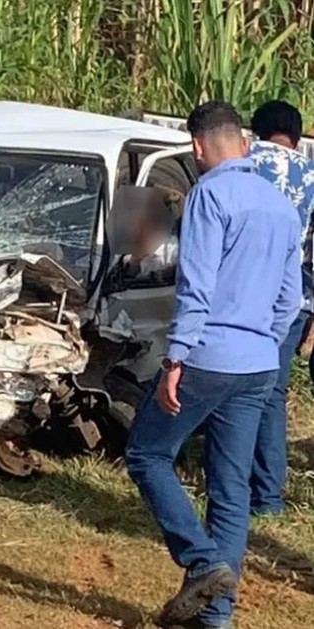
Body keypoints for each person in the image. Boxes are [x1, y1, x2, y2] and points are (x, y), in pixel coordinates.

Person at [125, 101, 302, 629]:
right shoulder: (279, 204)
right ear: (244, 144)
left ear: (198, 147)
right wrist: (262, 344)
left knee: (147, 453)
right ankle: (216, 615)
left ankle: (202, 561)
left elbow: (195, 287)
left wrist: (176, 357)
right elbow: (289, 299)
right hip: (258, 364)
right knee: (230, 489)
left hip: (207, 356)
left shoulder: (209, 194)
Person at [248, 100, 314, 516]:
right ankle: (267, 496)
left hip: (243, 295)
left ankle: (230, 480)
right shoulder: (312, 176)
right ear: (296, 133)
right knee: (272, 392)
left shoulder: (243, 162)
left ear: (257, 130)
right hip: (295, 300)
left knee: (232, 389)